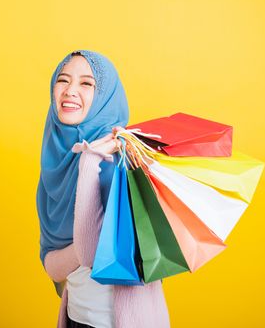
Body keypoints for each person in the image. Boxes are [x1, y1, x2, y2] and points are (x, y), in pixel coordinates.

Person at [36, 50, 170, 328]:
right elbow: (52, 265)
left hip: (119, 321)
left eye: (86, 83)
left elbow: (90, 253)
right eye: (63, 80)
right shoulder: (56, 160)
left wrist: (90, 162)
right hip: (75, 317)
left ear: (106, 97)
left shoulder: (126, 160)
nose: (70, 91)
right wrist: (86, 243)